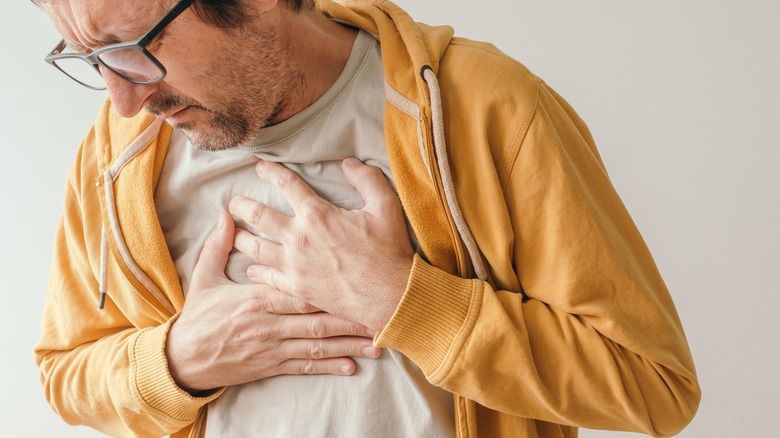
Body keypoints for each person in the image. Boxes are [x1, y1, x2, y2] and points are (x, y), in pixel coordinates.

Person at [33, 0, 701, 436]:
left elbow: (652, 385)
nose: (123, 99)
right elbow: (66, 373)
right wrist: (176, 361)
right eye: (91, 58)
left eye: (134, 45)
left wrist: (407, 302)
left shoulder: (485, 105)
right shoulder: (121, 155)